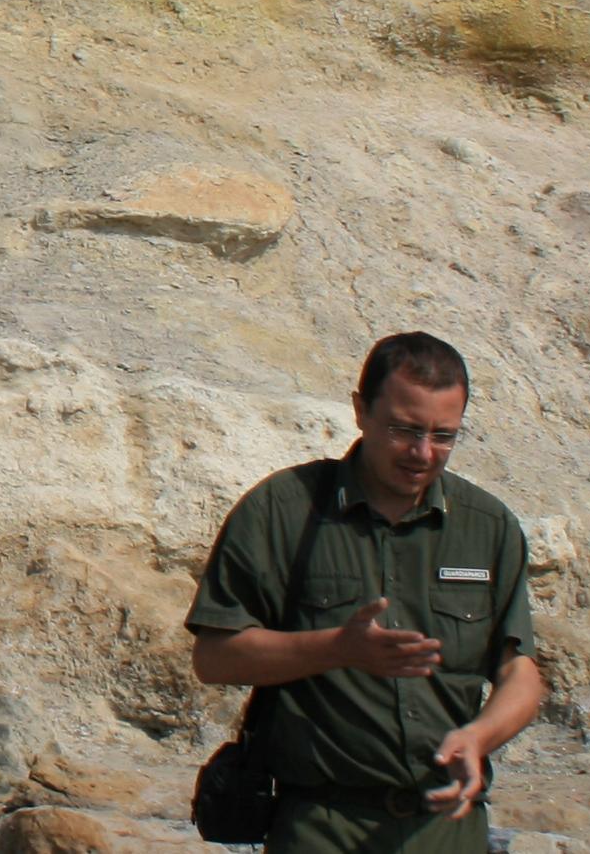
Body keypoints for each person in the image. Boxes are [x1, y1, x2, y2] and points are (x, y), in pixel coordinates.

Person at [187, 332, 549, 854]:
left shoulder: (489, 528)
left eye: (444, 436)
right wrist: (338, 649)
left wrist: (480, 737)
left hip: (448, 828)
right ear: (360, 411)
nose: (423, 453)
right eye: (404, 430)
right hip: (322, 827)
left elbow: (521, 672)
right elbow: (214, 659)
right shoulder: (283, 511)